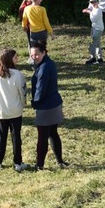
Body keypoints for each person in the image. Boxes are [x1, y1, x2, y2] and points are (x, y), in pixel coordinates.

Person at [30, 41, 68, 170]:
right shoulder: (47, 63)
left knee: (43, 137)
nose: (34, 57)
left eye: (36, 54)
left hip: (46, 107)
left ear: (44, 52)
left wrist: (34, 102)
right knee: (53, 133)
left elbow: (41, 88)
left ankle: (39, 165)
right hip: (54, 104)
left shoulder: (44, 67)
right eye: (31, 55)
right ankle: (60, 161)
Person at [0, 49, 28, 172]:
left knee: (2, 136)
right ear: (9, 59)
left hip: (1, 111)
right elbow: (22, 92)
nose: (17, 59)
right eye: (15, 57)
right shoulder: (17, 74)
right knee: (16, 137)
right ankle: (17, 162)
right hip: (15, 111)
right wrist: (23, 104)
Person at [82, 0, 104, 65]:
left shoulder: (98, 10)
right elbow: (92, 11)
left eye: (94, 2)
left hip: (98, 29)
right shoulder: (94, 8)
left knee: (92, 43)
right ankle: (99, 58)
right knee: (97, 43)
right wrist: (88, 10)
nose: (93, 4)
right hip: (95, 28)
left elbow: (92, 19)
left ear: (97, 2)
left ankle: (93, 58)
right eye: (91, 2)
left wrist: (88, 12)